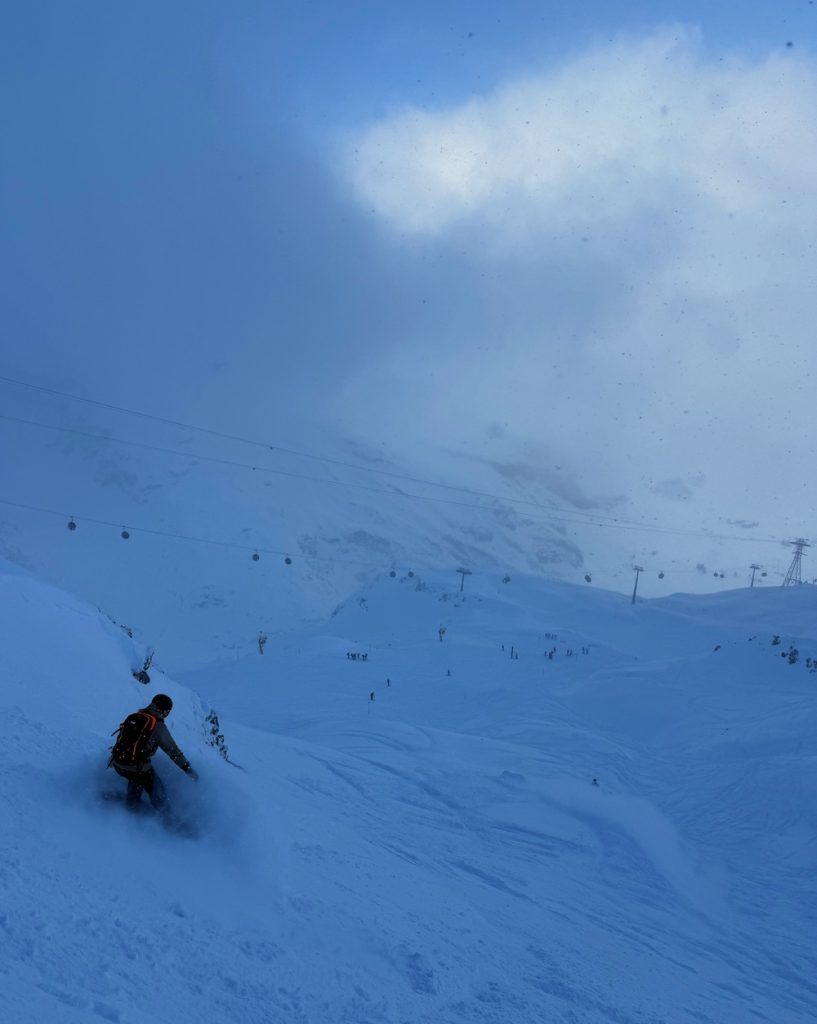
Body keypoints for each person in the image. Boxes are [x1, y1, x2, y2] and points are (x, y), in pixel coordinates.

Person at [110, 694, 198, 811]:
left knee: (136, 778)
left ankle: (131, 804)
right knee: (157, 789)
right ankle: (167, 819)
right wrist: (187, 768)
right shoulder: (157, 725)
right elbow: (173, 751)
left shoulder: (136, 716)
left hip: (118, 763)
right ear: (165, 711)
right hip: (135, 768)